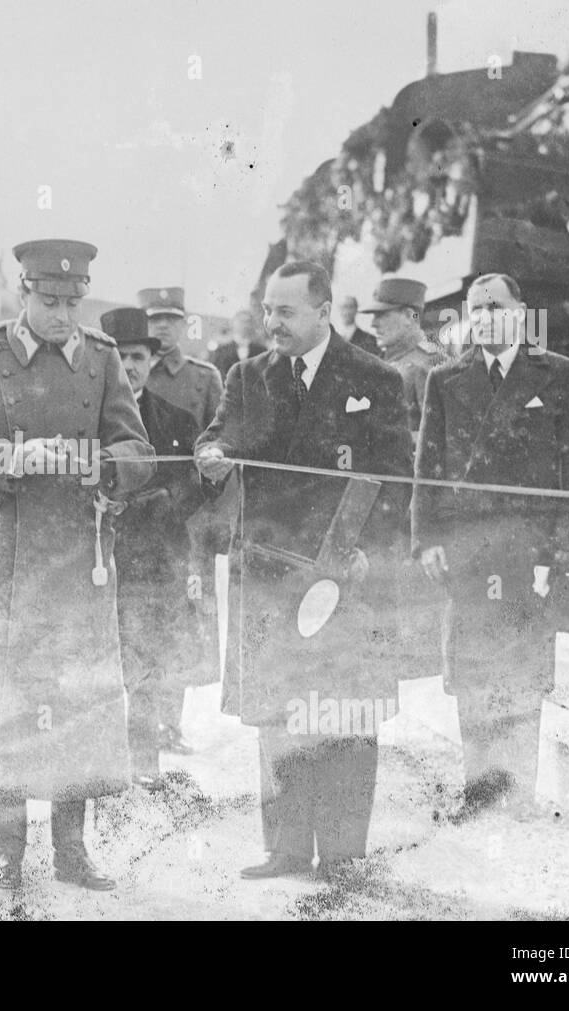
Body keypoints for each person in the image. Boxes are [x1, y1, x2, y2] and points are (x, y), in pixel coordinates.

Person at [0, 239, 154, 891]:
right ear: (24, 293)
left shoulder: (102, 358)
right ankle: (6, 853)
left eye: (72, 302)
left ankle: (72, 850)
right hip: (10, 555)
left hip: (82, 553)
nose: (61, 314)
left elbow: (137, 448)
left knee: (77, 698)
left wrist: (111, 464)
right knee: (8, 697)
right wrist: (7, 458)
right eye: (49, 301)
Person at [196, 260, 412, 880]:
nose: (272, 323)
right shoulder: (247, 376)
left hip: (346, 575)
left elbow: (398, 479)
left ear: (323, 310)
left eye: (285, 311)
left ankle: (344, 854)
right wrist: (210, 457)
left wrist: (370, 548)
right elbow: (217, 439)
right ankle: (286, 849)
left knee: (344, 712)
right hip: (268, 576)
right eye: (267, 310)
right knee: (279, 712)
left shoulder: (375, 378)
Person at [412, 272, 569, 818]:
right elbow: (430, 467)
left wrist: (567, 544)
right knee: (471, 668)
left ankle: (520, 794)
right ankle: (480, 790)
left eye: (495, 306)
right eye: (475, 308)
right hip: (468, 548)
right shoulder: (447, 379)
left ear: (520, 311)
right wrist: (427, 539)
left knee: (523, 668)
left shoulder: (560, 376)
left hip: (531, 553)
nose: (484, 317)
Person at [101, 306, 205, 790]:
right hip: (100, 559)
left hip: (156, 562)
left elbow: (198, 485)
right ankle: (95, 769)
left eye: (138, 356)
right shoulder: (88, 421)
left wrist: (162, 502)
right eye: (119, 356)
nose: (130, 366)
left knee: (149, 666)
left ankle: (143, 767)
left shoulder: (176, 420)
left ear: (151, 359)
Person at [137, 285, 224, 753]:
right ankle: (138, 722)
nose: (162, 328)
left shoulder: (203, 379)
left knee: (181, 619)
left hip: (186, 523)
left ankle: (169, 722)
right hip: (132, 518)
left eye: (171, 319)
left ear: (184, 323)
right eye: (154, 320)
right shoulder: (128, 372)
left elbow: (221, 441)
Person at [361, 278, 447, 434]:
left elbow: (439, 436)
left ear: (409, 316)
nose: (373, 324)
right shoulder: (384, 359)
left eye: (381, 315)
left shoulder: (428, 363)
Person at [210, 310, 268, 380]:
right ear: (233, 324)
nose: (245, 325)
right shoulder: (221, 350)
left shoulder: (262, 351)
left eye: (248, 321)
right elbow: (217, 376)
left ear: (253, 325)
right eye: (241, 321)